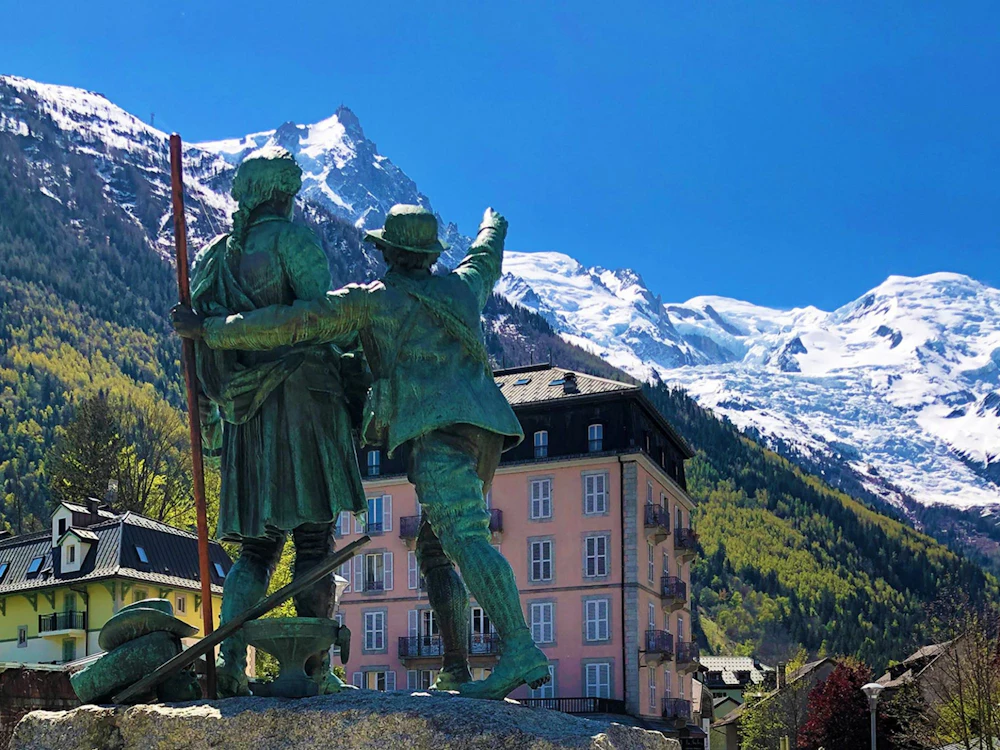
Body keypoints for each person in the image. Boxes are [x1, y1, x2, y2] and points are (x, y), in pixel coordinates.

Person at [173, 204, 550, 699]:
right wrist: (493, 221)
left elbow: (292, 322)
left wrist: (211, 331)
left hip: (438, 433)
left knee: (465, 539)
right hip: (487, 432)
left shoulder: (373, 301)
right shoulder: (462, 287)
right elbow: (486, 256)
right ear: (430, 254)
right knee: (436, 551)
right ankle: (456, 668)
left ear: (389, 251)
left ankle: (520, 648)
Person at [188, 146, 366, 697]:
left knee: (255, 551)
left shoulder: (214, 258)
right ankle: (315, 670)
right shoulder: (293, 241)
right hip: (303, 407)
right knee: (313, 539)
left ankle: (232, 663)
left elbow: (201, 355)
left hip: (246, 415)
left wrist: (213, 423)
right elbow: (319, 318)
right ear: (282, 193)